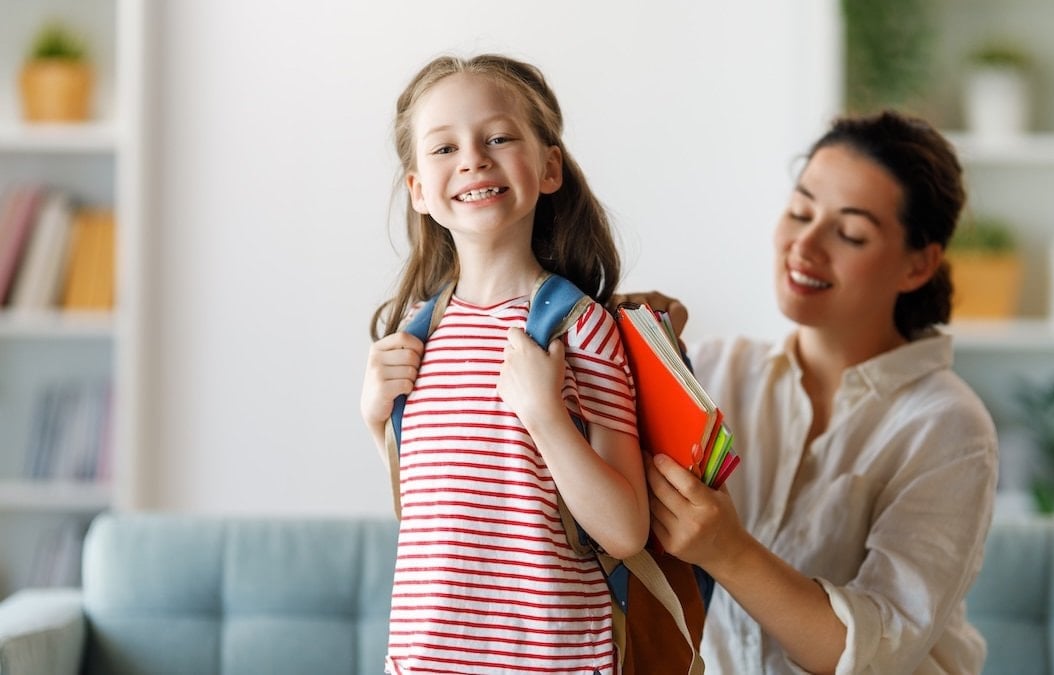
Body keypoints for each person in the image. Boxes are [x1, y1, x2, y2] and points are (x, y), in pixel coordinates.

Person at [619, 110, 999, 675]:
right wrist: (617, 343)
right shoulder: (714, 371)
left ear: (919, 265)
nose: (806, 244)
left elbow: (879, 654)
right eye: (800, 211)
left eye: (850, 233)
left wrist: (728, 550)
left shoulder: (947, 427)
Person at [359, 54, 647, 675]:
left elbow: (625, 532)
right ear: (418, 192)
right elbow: (438, 515)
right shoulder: (415, 334)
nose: (472, 159)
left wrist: (545, 415)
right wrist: (375, 422)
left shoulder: (580, 328)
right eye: (443, 149)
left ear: (548, 167)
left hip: (558, 661)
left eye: (498, 137)